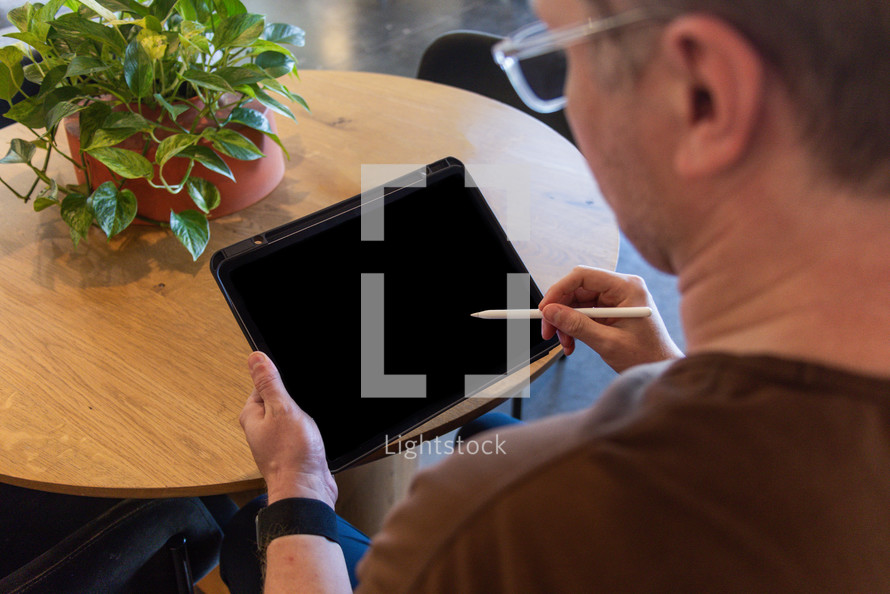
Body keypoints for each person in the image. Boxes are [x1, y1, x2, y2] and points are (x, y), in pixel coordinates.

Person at [222, 0, 890, 590]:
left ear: (703, 95)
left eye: (566, 59)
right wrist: (668, 372)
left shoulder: (501, 526)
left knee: (246, 534)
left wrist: (298, 488)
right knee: (481, 427)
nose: (569, 101)